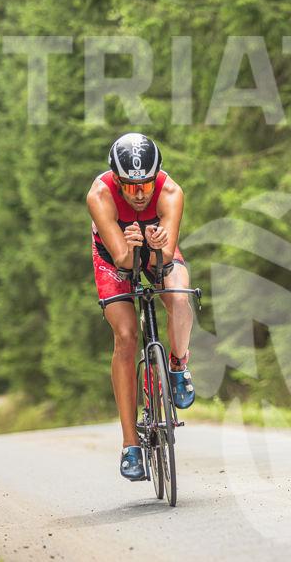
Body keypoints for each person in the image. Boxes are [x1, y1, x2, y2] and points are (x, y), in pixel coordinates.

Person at [87, 132, 195, 481]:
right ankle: (130, 444)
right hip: (113, 256)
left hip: (155, 251)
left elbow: (167, 256)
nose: (138, 195)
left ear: (156, 178)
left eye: (145, 185)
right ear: (116, 180)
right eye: (130, 187)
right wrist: (132, 248)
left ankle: (177, 366)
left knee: (180, 298)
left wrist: (158, 246)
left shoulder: (171, 192)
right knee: (126, 336)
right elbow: (121, 258)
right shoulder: (100, 195)